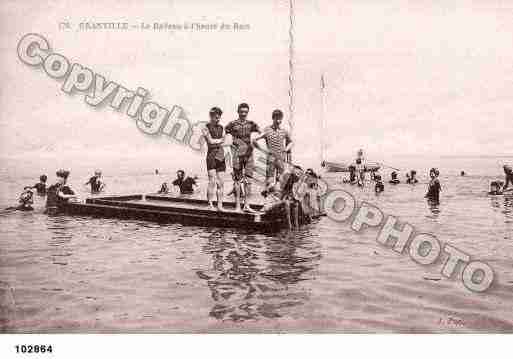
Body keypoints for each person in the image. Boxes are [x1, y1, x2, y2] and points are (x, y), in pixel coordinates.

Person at [225, 103, 260, 212]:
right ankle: (237, 206)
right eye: (242, 112)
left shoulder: (252, 124)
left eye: (245, 112)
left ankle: (247, 205)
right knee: (237, 180)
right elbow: (226, 133)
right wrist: (230, 144)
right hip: (237, 154)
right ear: (238, 112)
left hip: (249, 154)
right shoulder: (232, 124)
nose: (243, 114)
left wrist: (256, 140)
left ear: (247, 112)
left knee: (248, 180)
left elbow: (261, 132)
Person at [252, 109, 293, 186]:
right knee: (269, 181)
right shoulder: (267, 130)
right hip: (271, 158)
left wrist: (286, 149)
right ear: (273, 118)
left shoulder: (284, 131)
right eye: (276, 118)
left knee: (281, 180)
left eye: (280, 119)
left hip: (281, 158)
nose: (278, 121)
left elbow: (291, 142)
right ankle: (268, 196)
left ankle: (278, 195)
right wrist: (264, 150)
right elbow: (254, 140)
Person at [202, 107, 226, 210]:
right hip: (211, 156)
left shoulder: (222, 127)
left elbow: (226, 140)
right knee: (212, 181)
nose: (218, 119)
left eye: (219, 117)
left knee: (221, 182)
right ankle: (210, 204)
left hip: (220, 155)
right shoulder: (205, 128)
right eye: (216, 117)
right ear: (211, 116)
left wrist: (218, 140)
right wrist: (220, 140)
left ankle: (220, 205)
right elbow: (210, 142)